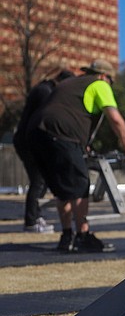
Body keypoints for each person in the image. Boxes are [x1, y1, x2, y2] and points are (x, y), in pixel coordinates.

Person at [27, 59, 125, 253]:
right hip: (61, 133)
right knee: (80, 185)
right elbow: (115, 118)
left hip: (35, 132)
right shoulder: (100, 84)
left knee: (63, 189)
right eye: (111, 81)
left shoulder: (69, 83)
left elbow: (67, 109)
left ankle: (66, 236)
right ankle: (82, 236)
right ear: (104, 76)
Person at [13, 69, 75, 233]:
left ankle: (34, 216)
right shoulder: (45, 92)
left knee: (43, 180)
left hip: (28, 139)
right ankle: (31, 221)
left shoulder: (45, 90)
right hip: (29, 141)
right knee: (38, 180)